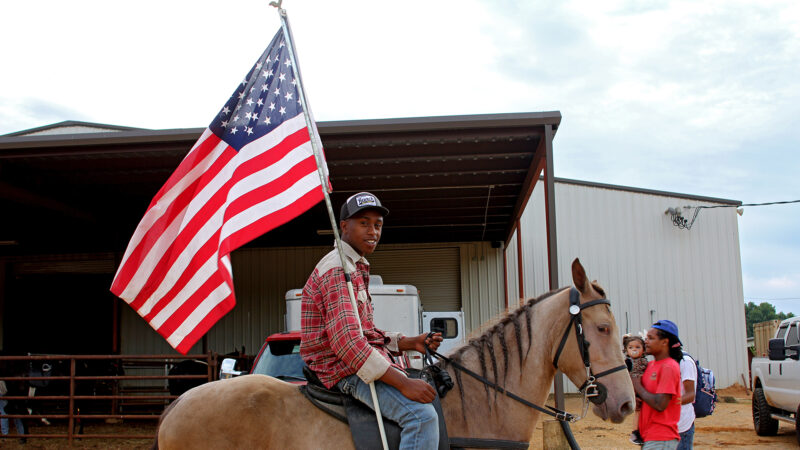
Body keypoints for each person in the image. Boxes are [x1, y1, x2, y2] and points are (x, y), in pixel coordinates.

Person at [300, 192, 443, 450]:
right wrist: (404, 383)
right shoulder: (337, 270)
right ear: (344, 226)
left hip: (348, 362)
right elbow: (348, 344)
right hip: (341, 369)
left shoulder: (355, 267)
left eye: (378, 225)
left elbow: (365, 332)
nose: (373, 231)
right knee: (422, 418)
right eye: (364, 223)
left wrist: (410, 342)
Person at [632, 320, 683, 450]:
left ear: (665, 342)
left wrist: (637, 385)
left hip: (661, 437)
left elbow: (660, 404)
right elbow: (647, 396)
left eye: (651, 338)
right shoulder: (650, 366)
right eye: (646, 338)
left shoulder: (669, 367)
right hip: (649, 436)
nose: (646, 342)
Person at [623, 333, 648, 445]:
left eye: (638, 347)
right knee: (638, 412)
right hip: (635, 391)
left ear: (643, 349)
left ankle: (643, 431)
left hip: (645, 390)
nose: (634, 350)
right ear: (626, 350)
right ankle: (635, 432)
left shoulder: (645, 361)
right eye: (631, 347)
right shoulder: (628, 363)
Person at [676, 351, 697, 449]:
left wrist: (666, 403)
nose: (646, 341)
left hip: (682, 424)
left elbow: (690, 395)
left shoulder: (685, 362)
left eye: (651, 338)